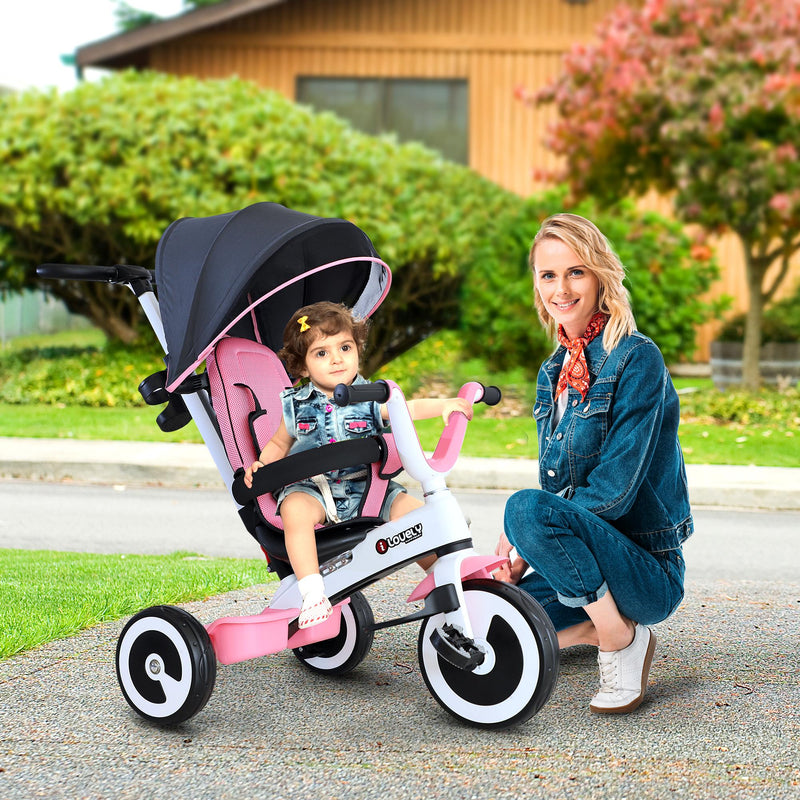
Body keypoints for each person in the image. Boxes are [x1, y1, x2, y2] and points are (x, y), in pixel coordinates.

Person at [494, 213, 692, 714]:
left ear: (600, 274)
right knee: (498, 622)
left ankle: (619, 636)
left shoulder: (636, 358)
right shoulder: (552, 371)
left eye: (575, 272)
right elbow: (558, 485)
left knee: (523, 509)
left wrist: (527, 528)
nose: (561, 289)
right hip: (589, 558)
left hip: (645, 571)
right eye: (548, 275)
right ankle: (587, 624)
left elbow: (613, 491)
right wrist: (526, 549)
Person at [244, 301, 472, 629]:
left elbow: (405, 408)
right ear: (304, 367)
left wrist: (444, 406)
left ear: (357, 350)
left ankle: (444, 578)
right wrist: (262, 466)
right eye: (321, 353)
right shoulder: (294, 405)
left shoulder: (371, 395)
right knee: (294, 509)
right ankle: (311, 592)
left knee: (420, 517)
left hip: (370, 489)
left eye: (345, 347)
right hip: (315, 489)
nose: (337, 358)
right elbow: (280, 443)